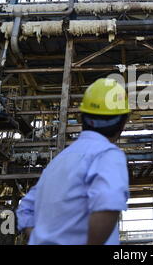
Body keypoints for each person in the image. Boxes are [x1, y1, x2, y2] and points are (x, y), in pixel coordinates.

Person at [16, 78, 130, 245]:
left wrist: (41, 240)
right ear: (122, 123)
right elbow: (107, 205)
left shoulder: (58, 161)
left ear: (82, 118)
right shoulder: (107, 154)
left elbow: (25, 209)